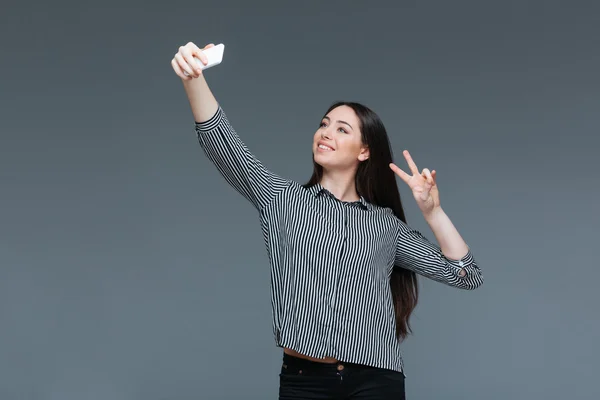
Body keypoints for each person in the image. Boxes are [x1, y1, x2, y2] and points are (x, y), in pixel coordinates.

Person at [171, 41, 483, 400]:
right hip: (304, 381)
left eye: (342, 129)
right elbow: (222, 144)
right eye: (324, 124)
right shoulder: (281, 199)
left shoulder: (385, 227)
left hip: (376, 381)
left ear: (365, 151)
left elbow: (466, 274)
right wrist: (193, 77)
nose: (326, 132)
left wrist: (433, 212)